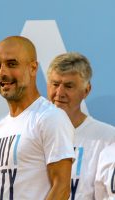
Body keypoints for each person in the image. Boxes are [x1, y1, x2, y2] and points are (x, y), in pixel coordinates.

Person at [0, 36, 75, 200]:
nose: (2, 73)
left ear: (33, 68)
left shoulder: (51, 118)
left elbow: (62, 189)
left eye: (12, 64)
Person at [46, 52, 115, 200]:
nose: (59, 93)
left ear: (86, 90)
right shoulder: (33, 134)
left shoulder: (108, 138)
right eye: (55, 84)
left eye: (68, 86)